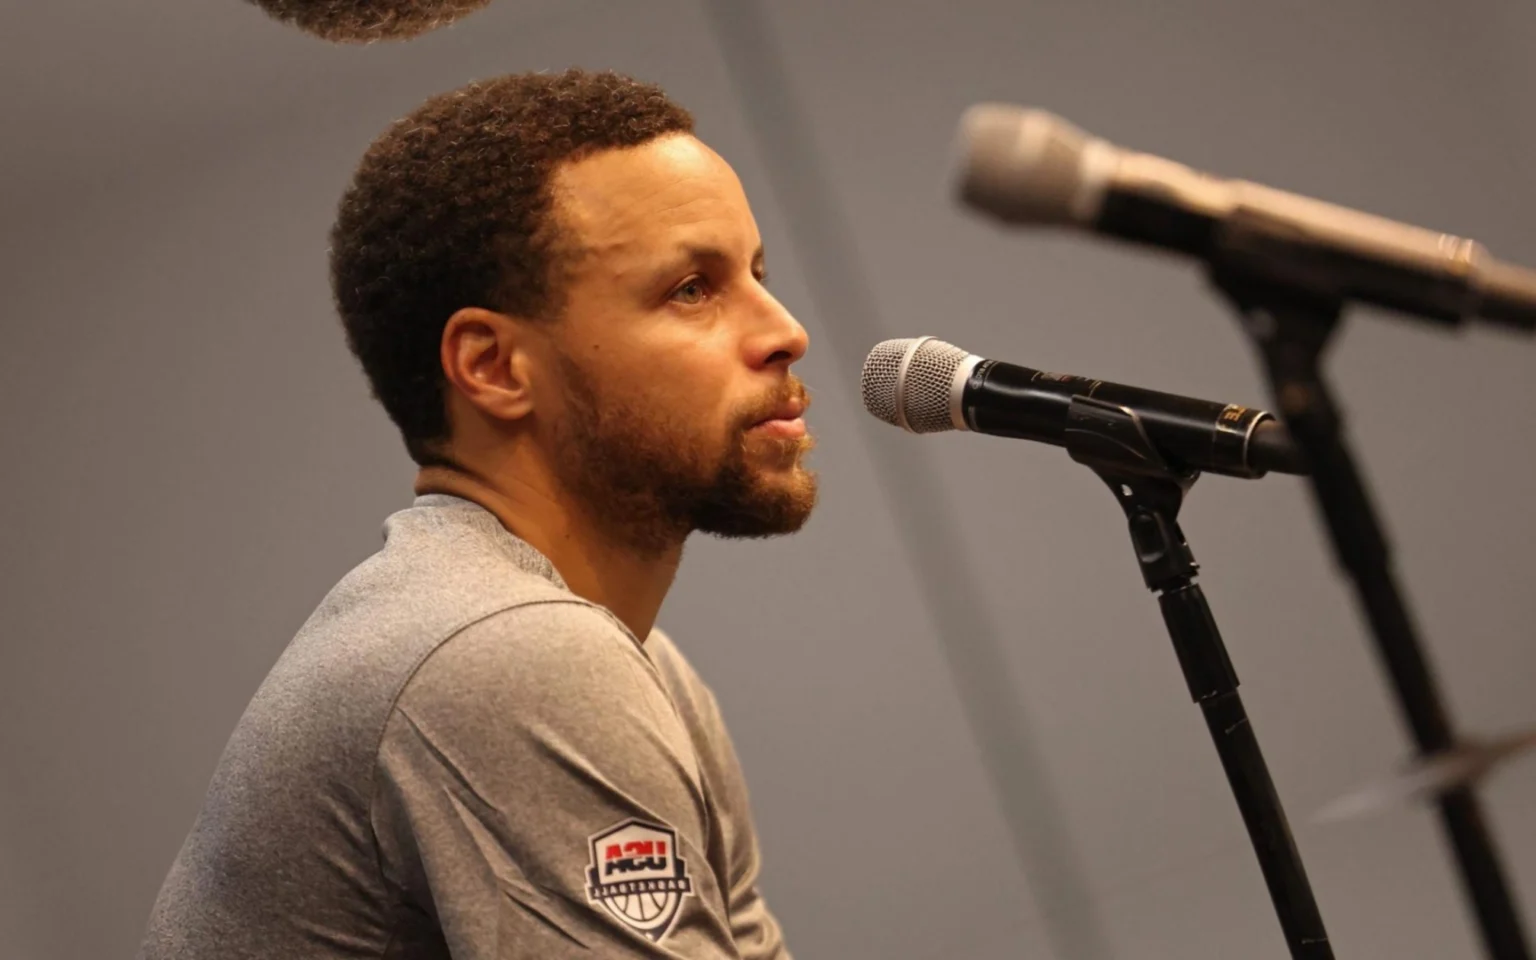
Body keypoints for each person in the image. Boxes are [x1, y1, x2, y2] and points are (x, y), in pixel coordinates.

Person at [139, 68, 815, 960]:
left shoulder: (632, 662)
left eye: (757, 273)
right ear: (494, 367)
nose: (784, 330)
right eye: (692, 288)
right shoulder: (507, 655)